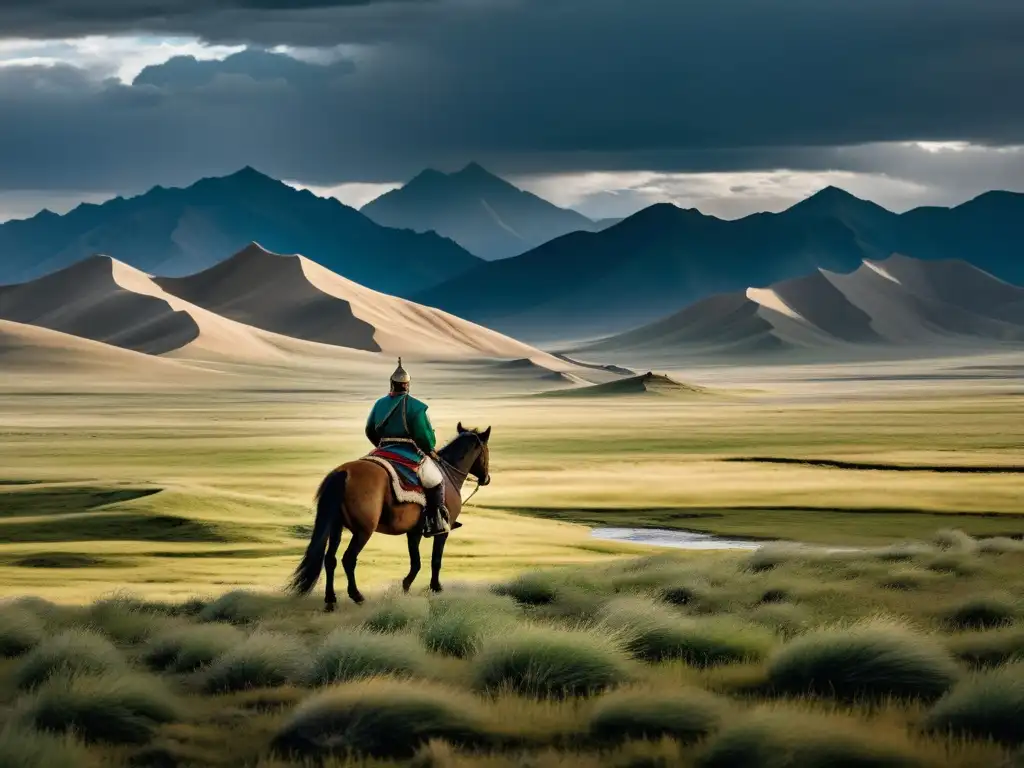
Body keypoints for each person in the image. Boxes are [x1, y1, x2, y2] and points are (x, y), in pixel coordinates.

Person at [365, 358, 450, 537]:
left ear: (392, 384)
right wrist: (430, 449)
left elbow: (369, 430)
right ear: (408, 385)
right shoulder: (416, 407)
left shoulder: (379, 404)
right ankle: (435, 521)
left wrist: (381, 448)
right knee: (436, 479)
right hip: (409, 452)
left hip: (381, 451)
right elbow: (424, 437)